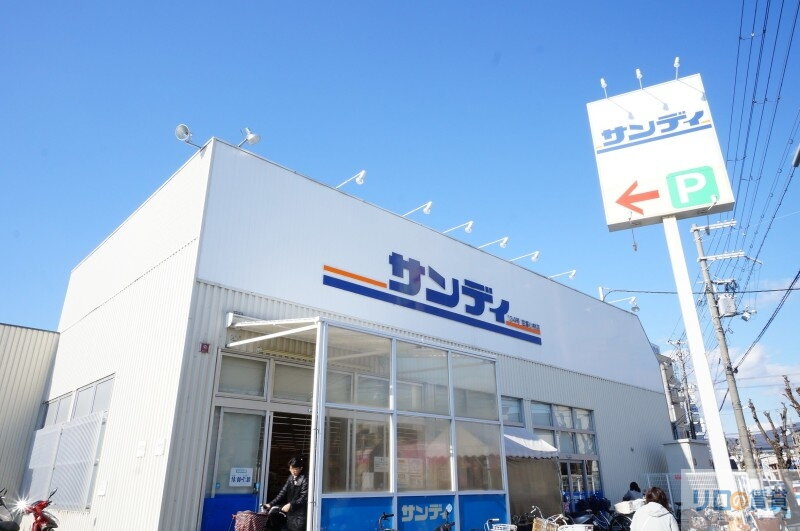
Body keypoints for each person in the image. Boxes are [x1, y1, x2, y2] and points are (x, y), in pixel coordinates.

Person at [263, 456, 308, 531]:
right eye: (291, 468)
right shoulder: (290, 478)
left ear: (301, 468)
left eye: (295, 469)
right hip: (291, 514)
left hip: (300, 515)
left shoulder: (305, 479)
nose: (292, 471)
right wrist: (271, 504)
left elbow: (304, 498)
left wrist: (291, 504)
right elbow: (282, 493)